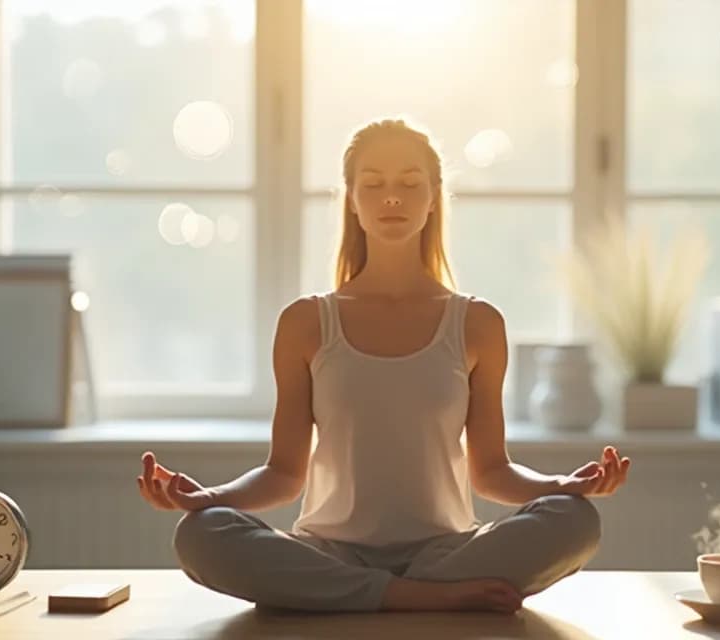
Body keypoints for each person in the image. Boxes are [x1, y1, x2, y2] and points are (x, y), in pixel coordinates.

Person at [136, 117, 631, 614]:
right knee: (201, 534)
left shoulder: (477, 323)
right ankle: (413, 597)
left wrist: (561, 486)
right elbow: (284, 473)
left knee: (576, 520)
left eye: (410, 184)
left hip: (446, 551)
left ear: (434, 196)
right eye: (372, 184)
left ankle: (363, 593)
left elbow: (492, 471)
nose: (391, 197)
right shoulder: (307, 322)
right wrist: (210, 497)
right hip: (331, 549)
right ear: (350, 198)